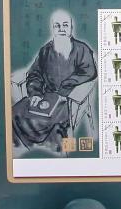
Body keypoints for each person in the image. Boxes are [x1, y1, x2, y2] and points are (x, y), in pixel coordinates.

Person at [13, 9, 97, 148]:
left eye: (65, 25)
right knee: (16, 112)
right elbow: (35, 73)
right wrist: (35, 93)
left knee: (51, 122)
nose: (61, 29)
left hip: (68, 98)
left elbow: (89, 71)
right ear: (52, 29)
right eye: (57, 26)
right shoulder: (45, 50)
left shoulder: (82, 49)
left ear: (71, 28)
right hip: (44, 96)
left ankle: (59, 151)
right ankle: (20, 149)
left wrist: (67, 85)